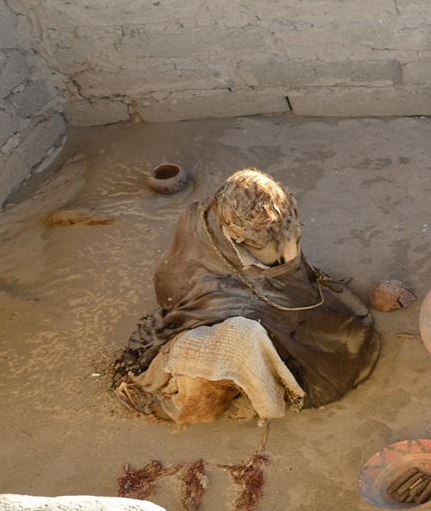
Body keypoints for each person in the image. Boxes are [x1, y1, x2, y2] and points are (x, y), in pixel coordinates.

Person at [115, 169, 380, 424]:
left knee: (307, 316)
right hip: (205, 330)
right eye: (271, 248)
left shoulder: (256, 221)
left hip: (236, 295)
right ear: (238, 238)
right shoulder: (205, 246)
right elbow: (172, 289)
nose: (287, 254)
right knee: (244, 340)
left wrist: (282, 257)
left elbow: (288, 263)